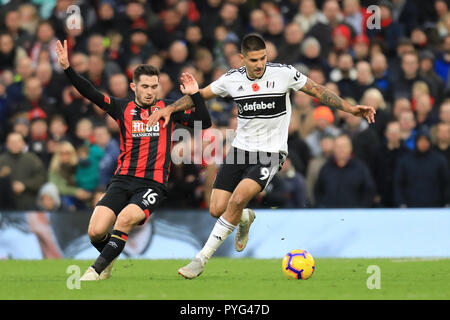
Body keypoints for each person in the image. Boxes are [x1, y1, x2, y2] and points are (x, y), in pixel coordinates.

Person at [147, 33, 376, 279]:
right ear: (242, 58)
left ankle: (200, 259)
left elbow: (318, 91)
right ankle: (245, 218)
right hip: (240, 150)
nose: (259, 64)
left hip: (270, 153)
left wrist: (351, 109)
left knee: (236, 200)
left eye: (263, 58)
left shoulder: (284, 74)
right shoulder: (232, 79)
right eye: (254, 59)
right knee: (217, 209)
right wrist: (170, 108)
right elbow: (200, 95)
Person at [56, 39, 211, 281]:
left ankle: (95, 270)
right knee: (95, 232)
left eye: (154, 86)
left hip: (152, 184)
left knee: (125, 219)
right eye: (145, 86)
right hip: (122, 180)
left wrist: (195, 95)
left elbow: (205, 122)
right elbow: (90, 92)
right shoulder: (121, 108)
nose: (150, 91)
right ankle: (108, 260)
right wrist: (67, 69)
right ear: (134, 86)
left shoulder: (167, 109)